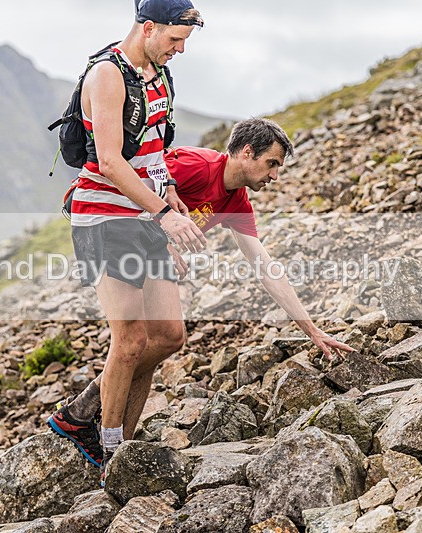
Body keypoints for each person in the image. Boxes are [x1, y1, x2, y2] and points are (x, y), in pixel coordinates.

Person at [51, 118, 355, 476]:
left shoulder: (237, 201)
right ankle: (104, 441)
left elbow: (265, 266)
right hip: (112, 223)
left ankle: (100, 429)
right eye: (272, 163)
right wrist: (162, 233)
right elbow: (137, 174)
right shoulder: (198, 164)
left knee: (168, 338)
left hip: (150, 243)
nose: (275, 176)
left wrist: (312, 331)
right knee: (132, 342)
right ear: (246, 152)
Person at [46, 0, 206, 484]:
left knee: (169, 337)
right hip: (104, 217)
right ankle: (110, 450)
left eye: (185, 42)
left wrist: (171, 197)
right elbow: (111, 163)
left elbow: (155, 148)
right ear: (148, 26)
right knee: (131, 339)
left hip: (147, 212)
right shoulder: (107, 76)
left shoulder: (158, 73)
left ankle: (87, 415)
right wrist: (164, 216)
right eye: (174, 40)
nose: (179, 50)